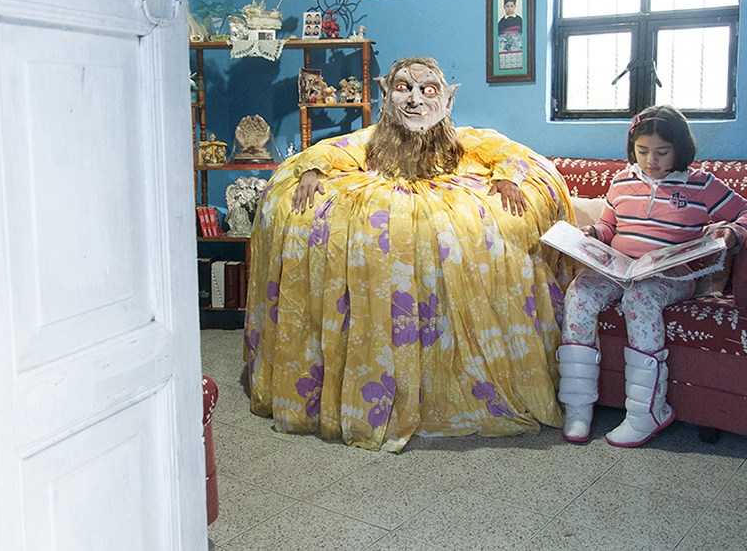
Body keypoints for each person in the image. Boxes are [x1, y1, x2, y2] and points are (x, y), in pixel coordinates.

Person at [244, 57, 576, 451]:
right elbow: (331, 150)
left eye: (428, 90)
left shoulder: (463, 142)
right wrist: (312, 171)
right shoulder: (371, 141)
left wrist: (507, 177)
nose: (415, 100)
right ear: (385, 95)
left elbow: (508, 152)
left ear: (448, 101)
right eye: (404, 88)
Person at [556, 105, 747, 447]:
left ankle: (647, 412)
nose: (650, 161)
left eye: (662, 152)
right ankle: (577, 408)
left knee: (639, 300)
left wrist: (733, 232)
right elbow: (609, 226)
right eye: (642, 151)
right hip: (620, 267)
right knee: (579, 294)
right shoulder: (622, 181)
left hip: (669, 274)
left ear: (680, 149)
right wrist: (593, 233)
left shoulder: (701, 184)